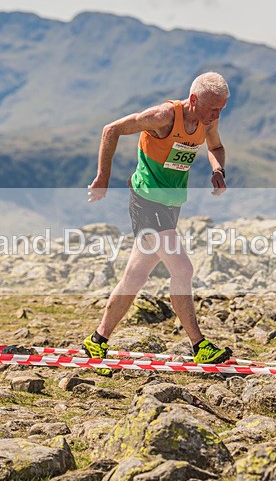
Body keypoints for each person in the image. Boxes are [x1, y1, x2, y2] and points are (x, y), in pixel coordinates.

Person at [85, 72, 232, 375]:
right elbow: (111, 130)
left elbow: (215, 148)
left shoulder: (207, 121)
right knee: (183, 269)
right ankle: (199, 346)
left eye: (221, 109)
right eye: (212, 109)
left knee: (134, 278)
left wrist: (218, 170)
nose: (216, 116)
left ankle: (97, 339)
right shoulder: (163, 117)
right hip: (147, 201)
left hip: (170, 205)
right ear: (193, 100)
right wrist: (103, 177)